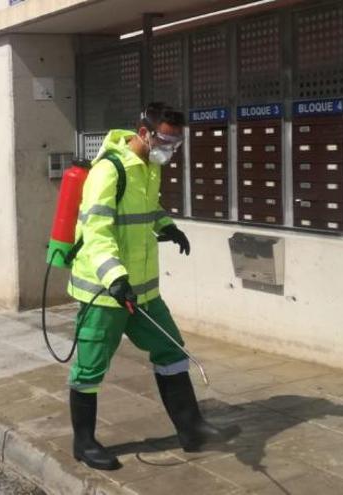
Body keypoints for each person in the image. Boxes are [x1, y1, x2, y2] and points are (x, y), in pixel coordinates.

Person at [67, 102, 234, 470]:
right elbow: (96, 231)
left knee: (172, 351)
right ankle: (83, 443)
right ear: (144, 132)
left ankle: (192, 428)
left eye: (177, 142)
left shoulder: (148, 168)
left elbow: (147, 209)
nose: (171, 148)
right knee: (91, 369)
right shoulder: (109, 171)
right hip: (104, 292)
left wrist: (167, 226)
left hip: (143, 292)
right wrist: (115, 278)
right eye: (166, 139)